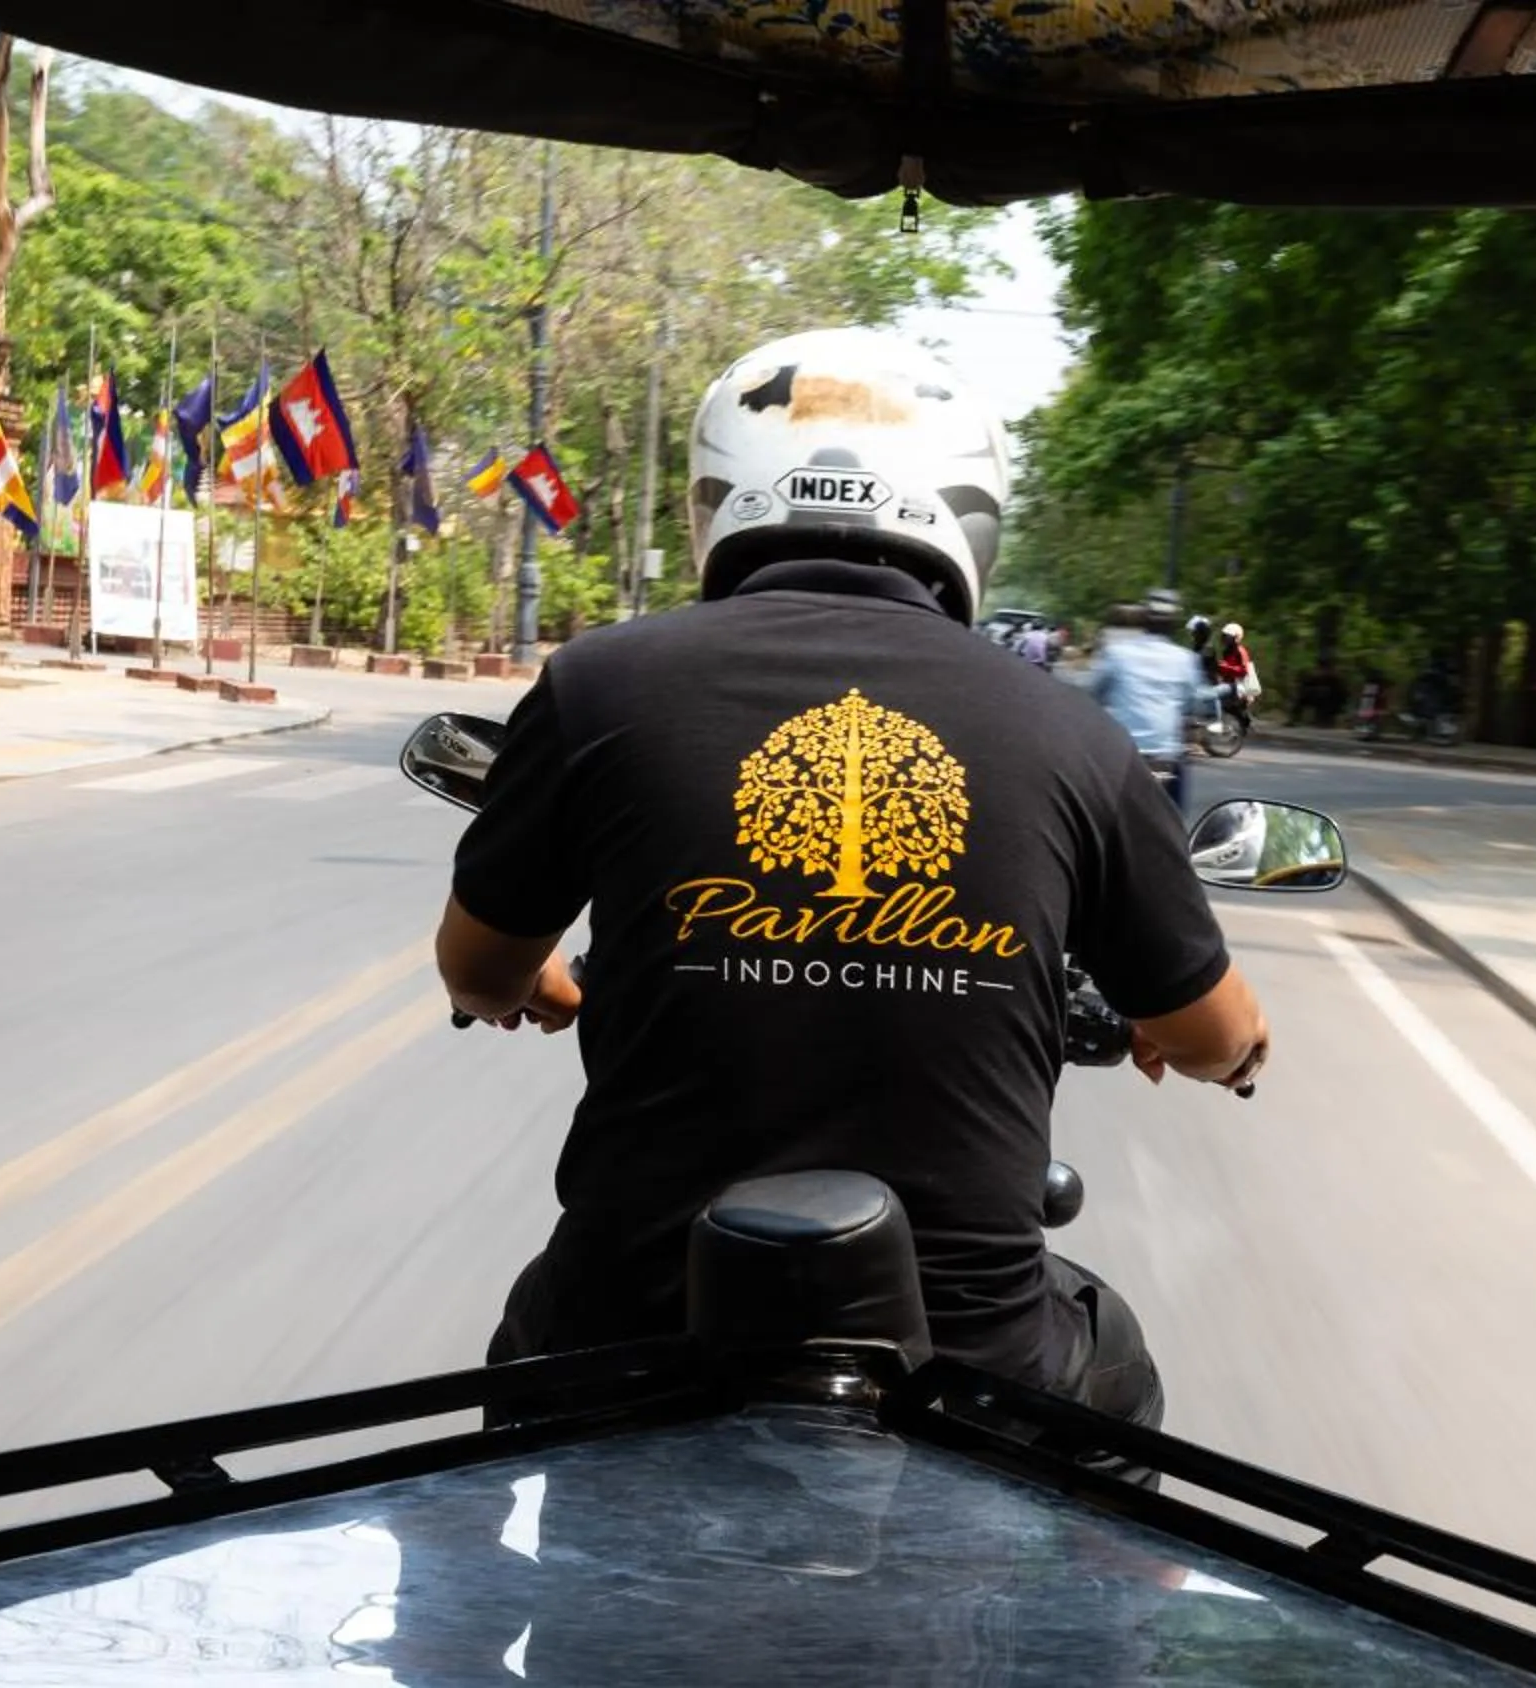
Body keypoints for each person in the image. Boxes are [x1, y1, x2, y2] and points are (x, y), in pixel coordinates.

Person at [432, 328, 1269, 1437]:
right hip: (972, 1364)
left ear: (716, 497)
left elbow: (475, 969)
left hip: (625, 1330)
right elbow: (1218, 1036)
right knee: (1117, 1369)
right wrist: (1201, 1038)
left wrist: (529, 978)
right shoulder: (1075, 737)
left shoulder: (596, 684)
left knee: (526, 1372)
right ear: (969, 513)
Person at [1084, 595, 1211, 816]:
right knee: (1173, 822)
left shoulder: (1117, 653)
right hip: (1165, 760)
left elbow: (1092, 692)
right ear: (1174, 625)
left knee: (1095, 815)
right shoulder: (1185, 659)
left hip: (1120, 756)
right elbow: (1198, 702)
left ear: (1144, 621)